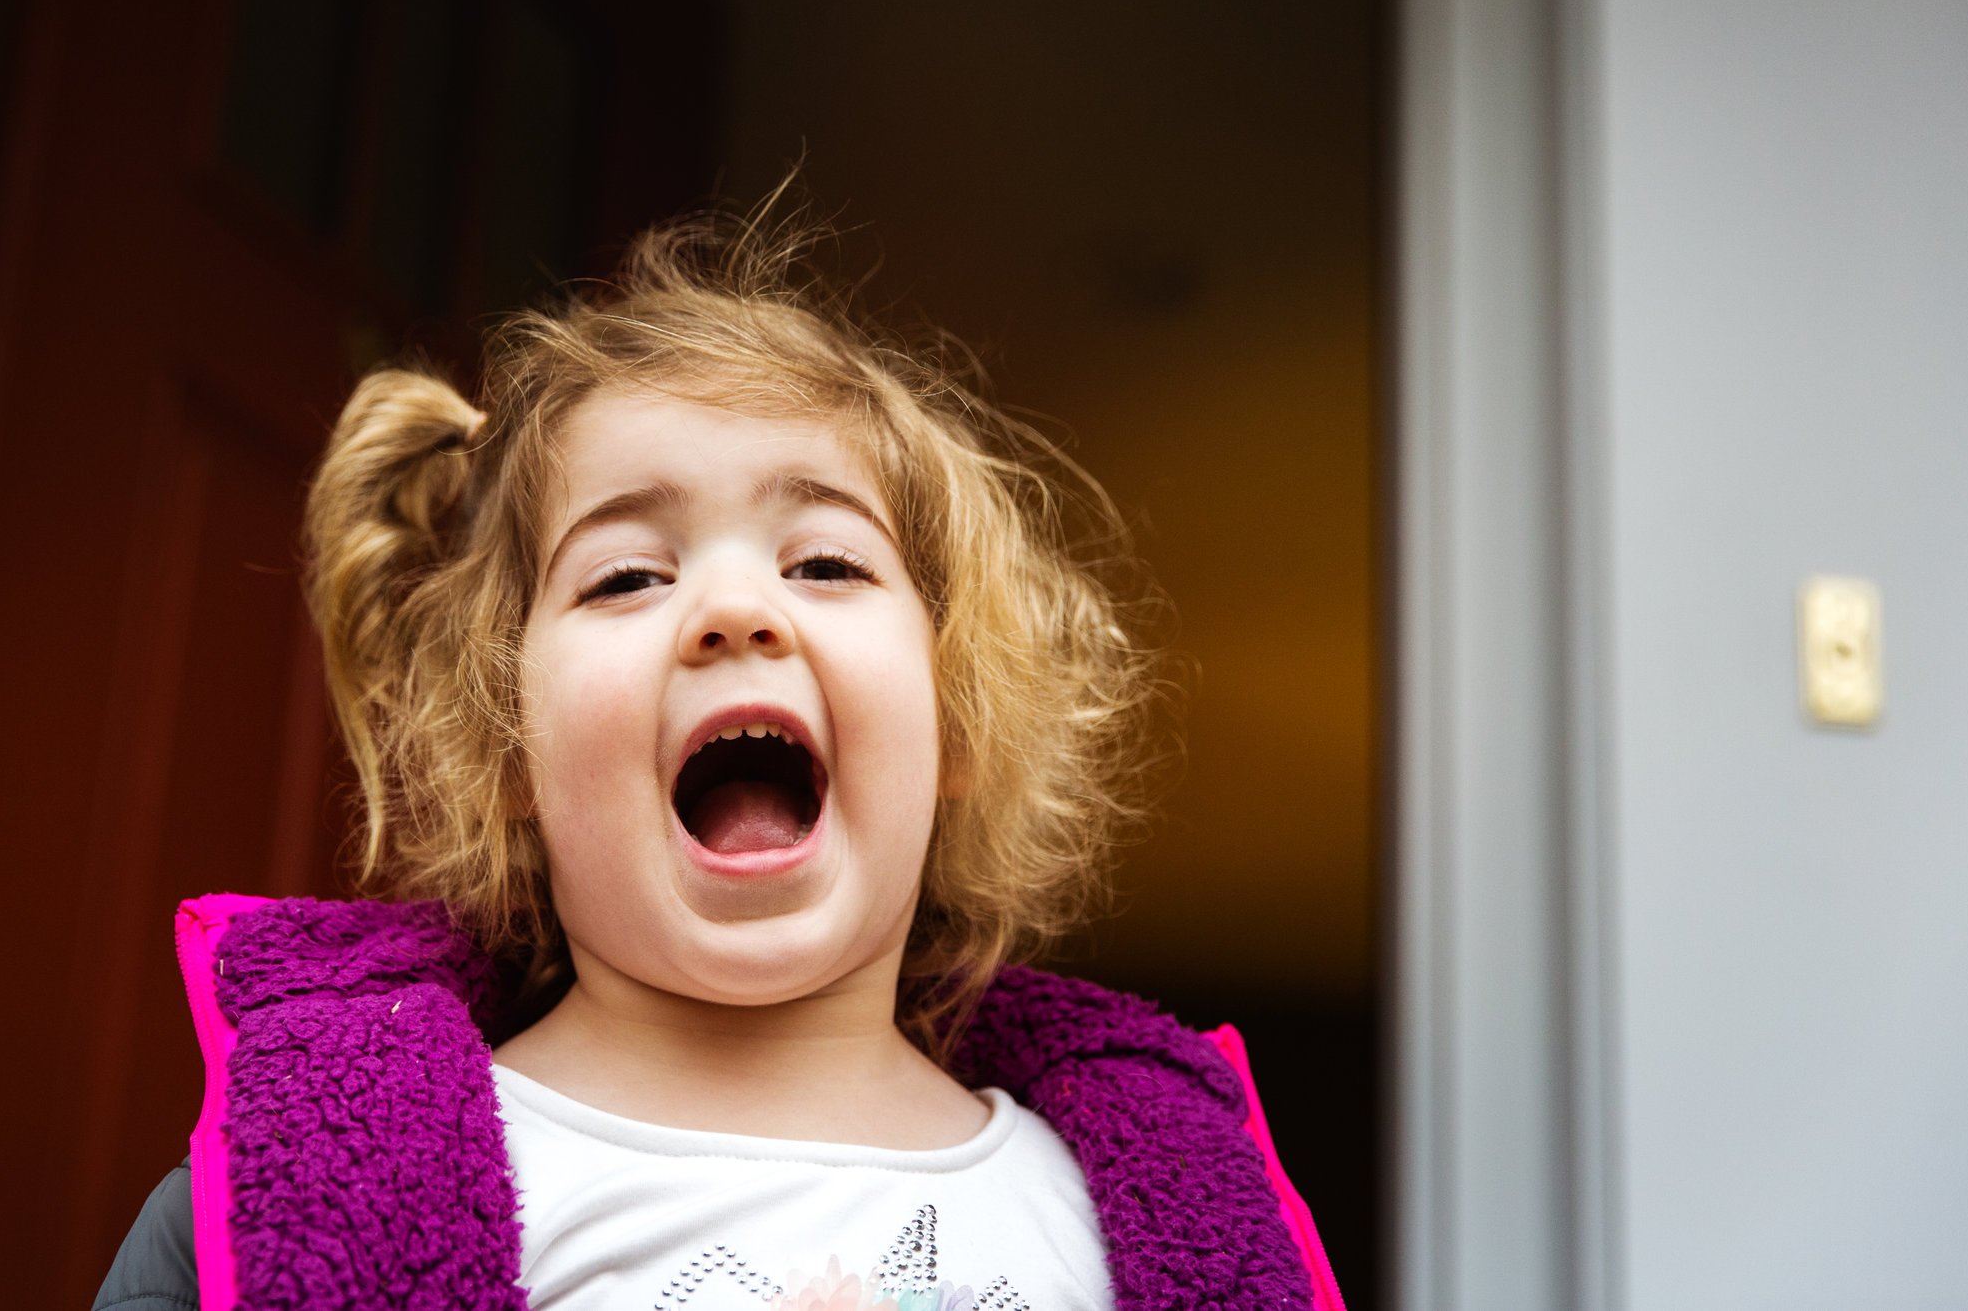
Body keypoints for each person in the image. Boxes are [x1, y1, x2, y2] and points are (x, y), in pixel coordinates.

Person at [95, 211, 1342, 1311]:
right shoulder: (299, 1191)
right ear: (510, 752)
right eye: (628, 574)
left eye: (826, 562)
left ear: (955, 720)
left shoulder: (1116, 1209)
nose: (731, 608)